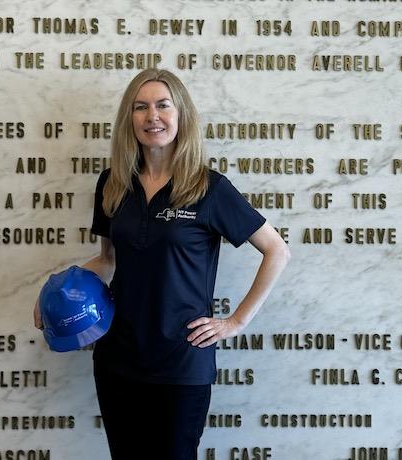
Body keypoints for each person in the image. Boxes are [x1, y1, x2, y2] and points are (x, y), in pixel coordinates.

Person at [34, 68, 290, 459]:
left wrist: (236, 321)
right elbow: (108, 261)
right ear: (129, 119)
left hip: (182, 359)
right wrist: (53, 292)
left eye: (162, 105)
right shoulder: (113, 183)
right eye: (140, 107)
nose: (152, 116)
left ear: (180, 114)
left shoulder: (208, 187)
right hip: (119, 355)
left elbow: (277, 251)